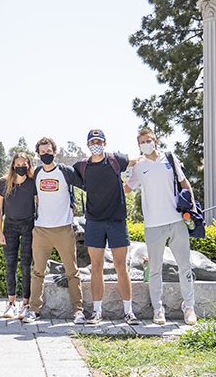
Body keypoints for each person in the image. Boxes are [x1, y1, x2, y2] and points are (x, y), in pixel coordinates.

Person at [123, 128, 198, 326]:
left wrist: (192, 204)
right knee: (155, 269)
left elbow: (184, 183)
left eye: (149, 140)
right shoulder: (138, 167)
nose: (147, 143)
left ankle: (189, 306)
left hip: (176, 220)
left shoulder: (170, 158)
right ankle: (158, 309)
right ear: (138, 145)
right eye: (142, 142)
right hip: (153, 224)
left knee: (184, 265)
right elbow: (127, 189)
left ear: (156, 140)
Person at [72, 129, 140, 325]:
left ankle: (129, 312)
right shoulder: (82, 166)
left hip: (117, 221)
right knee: (96, 267)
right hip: (93, 222)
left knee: (121, 267)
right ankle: (97, 312)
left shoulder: (115, 160)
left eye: (99, 141)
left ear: (105, 142)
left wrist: (156, 156)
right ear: (87, 145)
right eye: (92, 141)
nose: (96, 144)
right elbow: (66, 177)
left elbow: (137, 159)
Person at [25, 137, 86, 324]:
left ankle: (78, 311)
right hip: (41, 230)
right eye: (42, 152)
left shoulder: (65, 172)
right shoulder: (36, 173)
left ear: (55, 152)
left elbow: (86, 185)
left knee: (72, 272)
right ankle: (33, 310)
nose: (46, 154)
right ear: (38, 154)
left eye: (49, 151)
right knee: (37, 272)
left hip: (64, 230)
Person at [0, 152, 37, 319]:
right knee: (10, 265)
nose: (21, 167)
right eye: (18, 164)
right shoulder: (4, 183)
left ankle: (25, 304)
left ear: (28, 165)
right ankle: (11, 303)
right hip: (10, 227)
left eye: (24, 164)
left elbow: (40, 203)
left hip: (29, 226)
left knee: (26, 266)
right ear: (13, 165)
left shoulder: (33, 183)